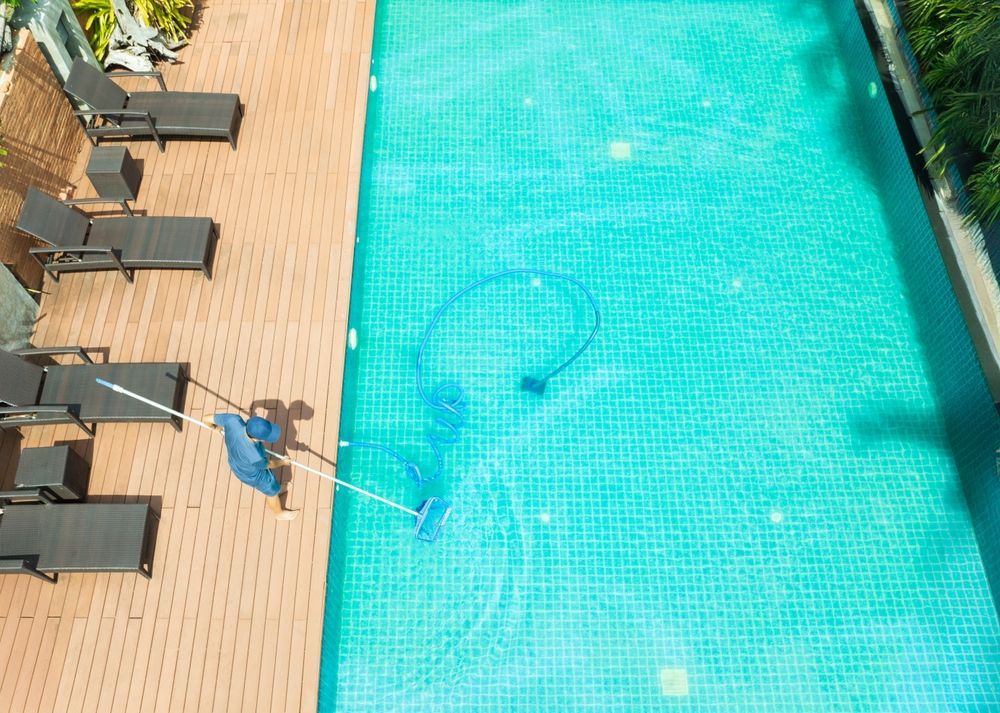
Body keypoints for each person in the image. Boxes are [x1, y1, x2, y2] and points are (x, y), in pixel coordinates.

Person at [203, 413, 299, 520]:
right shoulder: (255, 455)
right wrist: (283, 462)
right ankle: (278, 513)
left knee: (273, 485)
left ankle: (278, 489)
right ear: (257, 438)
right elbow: (269, 465)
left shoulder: (233, 420)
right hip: (252, 474)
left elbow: (206, 418)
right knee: (271, 490)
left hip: (235, 462)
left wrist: (214, 428)